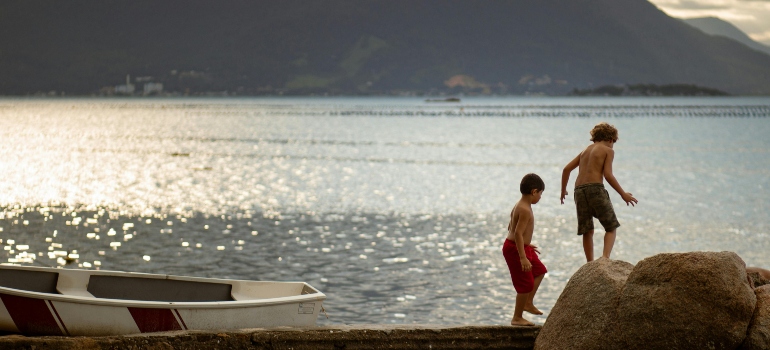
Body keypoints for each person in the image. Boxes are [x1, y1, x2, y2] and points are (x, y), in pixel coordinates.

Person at [560, 122, 638, 262]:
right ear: (610, 139)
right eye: (613, 142)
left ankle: (590, 262)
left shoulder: (585, 151)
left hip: (578, 191)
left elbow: (566, 169)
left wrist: (563, 190)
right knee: (611, 226)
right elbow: (608, 175)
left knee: (587, 230)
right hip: (595, 188)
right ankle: (605, 257)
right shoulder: (608, 150)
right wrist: (623, 194)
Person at [503, 173, 547, 326]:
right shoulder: (525, 209)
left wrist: (527, 244)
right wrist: (522, 256)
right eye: (540, 194)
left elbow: (511, 227)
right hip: (515, 249)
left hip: (521, 246)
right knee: (525, 284)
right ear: (534, 191)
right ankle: (517, 317)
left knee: (540, 270)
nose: (540, 197)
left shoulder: (520, 205)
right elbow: (517, 233)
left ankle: (528, 302)